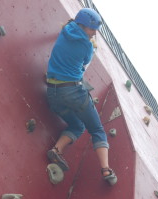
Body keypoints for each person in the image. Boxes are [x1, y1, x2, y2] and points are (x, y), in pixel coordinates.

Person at [46, 8, 117, 185]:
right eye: (91, 29)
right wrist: (92, 46)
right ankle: (107, 170)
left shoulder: (65, 30)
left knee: (78, 125)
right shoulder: (87, 46)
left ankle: (56, 149)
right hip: (74, 92)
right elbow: (85, 63)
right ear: (82, 26)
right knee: (97, 130)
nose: (94, 33)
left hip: (53, 92)